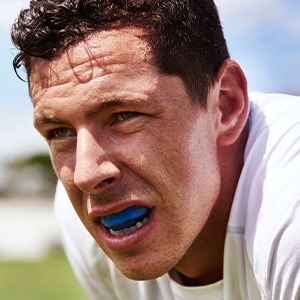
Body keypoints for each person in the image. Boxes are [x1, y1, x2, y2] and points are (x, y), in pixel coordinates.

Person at [11, 0, 300, 299]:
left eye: (124, 115)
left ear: (225, 105)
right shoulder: (83, 227)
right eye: (59, 132)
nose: (86, 175)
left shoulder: (292, 216)